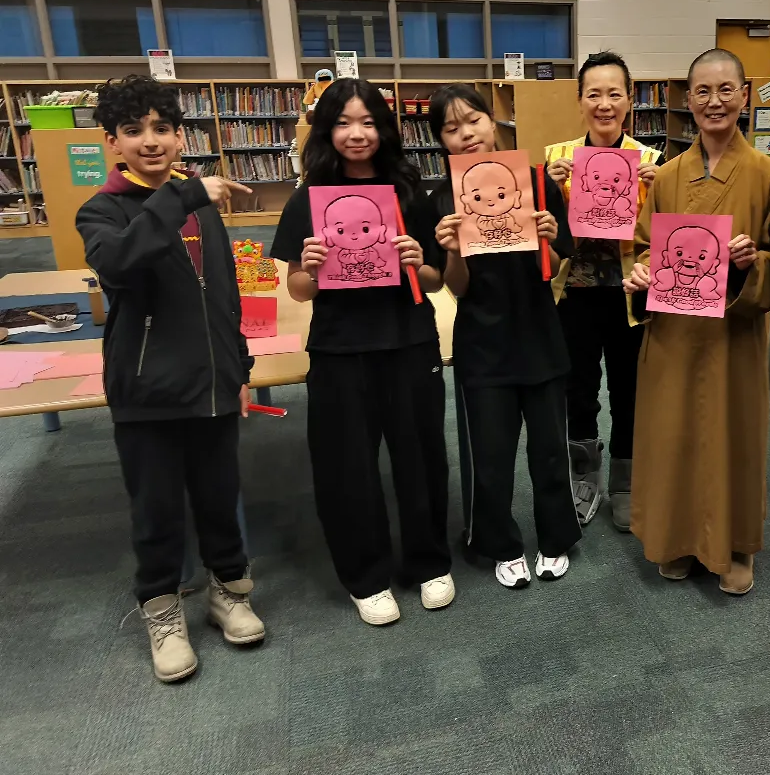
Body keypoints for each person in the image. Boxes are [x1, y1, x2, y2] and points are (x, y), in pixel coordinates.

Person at [75, 75, 265, 683]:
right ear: (112, 142)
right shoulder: (101, 208)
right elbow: (120, 264)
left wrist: (239, 366)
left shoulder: (194, 200)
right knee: (155, 510)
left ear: (180, 135)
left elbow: (225, 294)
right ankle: (162, 614)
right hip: (145, 394)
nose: (150, 142)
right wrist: (181, 199)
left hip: (210, 383)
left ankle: (229, 594)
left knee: (218, 498)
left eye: (162, 129)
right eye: (133, 131)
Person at [270, 79, 453, 625]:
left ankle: (428, 561)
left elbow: (437, 280)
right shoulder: (308, 199)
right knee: (346, 466)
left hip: (409, 340)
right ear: (327, 130)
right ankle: (365, 574)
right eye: (345, 123)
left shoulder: (407, 192)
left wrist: (417, 259)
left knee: (421, 458)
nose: (358, 134)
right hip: (340, 348)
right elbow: (297, 290)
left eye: (369, 122)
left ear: (385, 129)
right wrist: (311, 266)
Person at [622, 48, 770, 595]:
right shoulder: (666, 177)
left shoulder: (768, 174)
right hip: (673, 333)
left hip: (733, 333)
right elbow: (642, 248)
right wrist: (640, 274)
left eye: (725, 90)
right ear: (687, 101)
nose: (714, 102)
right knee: (673, 435)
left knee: (732, 433)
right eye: (703, 92)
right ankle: (676, 540)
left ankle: (734, 545)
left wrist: (751, 263)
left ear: (744, 94)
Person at [429, 83, 581, 589]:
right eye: (451, 128)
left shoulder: (538, 183)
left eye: (473, 120)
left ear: (493, 123)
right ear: (441, 141)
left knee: (549, 452)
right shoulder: (444, 198)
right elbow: (458, 290)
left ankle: (556, 536)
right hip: (483, 346)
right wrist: (452, 250)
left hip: (540, 336)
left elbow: (557, 268)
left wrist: (551, 239)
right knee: (490, 457)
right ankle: (499, 541)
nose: (466, 133)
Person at [545, 51, 662, 529]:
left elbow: (664, 242)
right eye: (594, 94)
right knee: (578, 389)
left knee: (630, 388)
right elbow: (538, 235)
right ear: (579, 102)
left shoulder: (653, 163)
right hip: (572, 294)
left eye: (615, 94)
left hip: (630, 295)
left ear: (629, 101)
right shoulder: (557, 159)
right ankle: (583, 476)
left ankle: (626, 481)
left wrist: (659, 195)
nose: (605, 104)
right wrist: (547, 191)